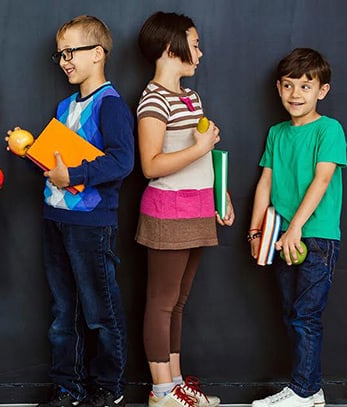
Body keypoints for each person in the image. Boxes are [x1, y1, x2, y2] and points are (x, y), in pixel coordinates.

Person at [13, 15, 134, 407]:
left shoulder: (111, 104)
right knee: (63, 312)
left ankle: (108, 388)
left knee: (100, 310)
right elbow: (55, 163)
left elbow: (122, 162)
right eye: (60, 54)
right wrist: (29, 151)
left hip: (91, 224)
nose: (64, 60)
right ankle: (68, 387)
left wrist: (76, 175)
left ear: (98, 54)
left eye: (71, 52)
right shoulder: (65, 105)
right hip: (56, 219)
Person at [135, 12, 235, 407]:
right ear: (169, 46)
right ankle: (161, 391)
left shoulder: (190, 97)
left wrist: (220, 195)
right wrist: (201, 147)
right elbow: (151, 164)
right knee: (160, 302)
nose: (200, 52)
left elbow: (200, 160)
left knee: (178, 302)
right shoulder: (153, 99)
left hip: (196, 209)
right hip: (167, 211)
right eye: (194, 43)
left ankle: (175, 383)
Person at [248, 48, 346, 407]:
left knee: (306, 315)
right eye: (288, 85)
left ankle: (304, 392)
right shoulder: (277, 133)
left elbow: (321, 181)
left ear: (322, 91)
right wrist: (256, 231)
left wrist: (296, 229)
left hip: (315, 237)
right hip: (279, 236)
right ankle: (309, 387)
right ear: (278, 88)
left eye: (305, 86)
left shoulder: (329, 129)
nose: (295, 94)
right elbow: (265, 182)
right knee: (293, 314)